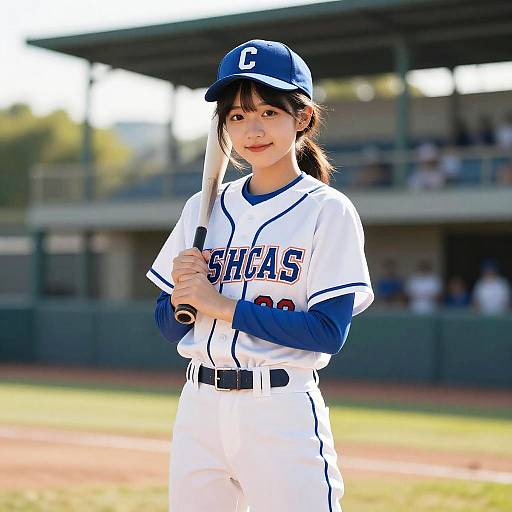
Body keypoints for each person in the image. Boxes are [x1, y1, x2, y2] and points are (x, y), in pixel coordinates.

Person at [146, 39, 374, 512]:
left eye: (269, 111)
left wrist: (220, 306)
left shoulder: (326, 211)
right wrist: (181, 295)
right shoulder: (203, 208)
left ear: (303, 117)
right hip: (198, 408)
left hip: (279, 409)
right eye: (236, 115)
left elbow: (328, 333)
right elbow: (169, 326)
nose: (252, 128)